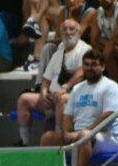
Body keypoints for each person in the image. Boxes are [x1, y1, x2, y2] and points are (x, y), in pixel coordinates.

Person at [41, 50, 118, 166]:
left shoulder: (111, 87)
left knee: (84, 136)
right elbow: (67, 115)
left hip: (108, 137)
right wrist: (67, 133)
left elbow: (108, 116)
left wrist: (83, 132)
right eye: (86, 64)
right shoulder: (77, 88)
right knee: (47, 138)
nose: (89, 68)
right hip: (80, 135)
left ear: (103, 67)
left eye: (94, 64)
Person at [15, 19, 89, 147]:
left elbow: (82, 72)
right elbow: (46, 79)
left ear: (78, 32)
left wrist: (66, 87)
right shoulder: (59, 52)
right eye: (64, 29)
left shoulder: (85, 49)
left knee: (61, 98)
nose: (68, 32)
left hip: (73, 98)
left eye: (72, 29)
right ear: (60, 33)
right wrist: (44, 93)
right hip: (51, 98)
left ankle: (58, 141)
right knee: (24, 99)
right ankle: (24, 142)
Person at [26, 0, 97, 78]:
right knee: (48, 47)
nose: (71, 0)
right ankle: (40, 81)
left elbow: (74, 38)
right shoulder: (63, 12)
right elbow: (57, 38)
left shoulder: (90, 12)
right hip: (66, 49)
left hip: (84, 50)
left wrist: (70, 15)